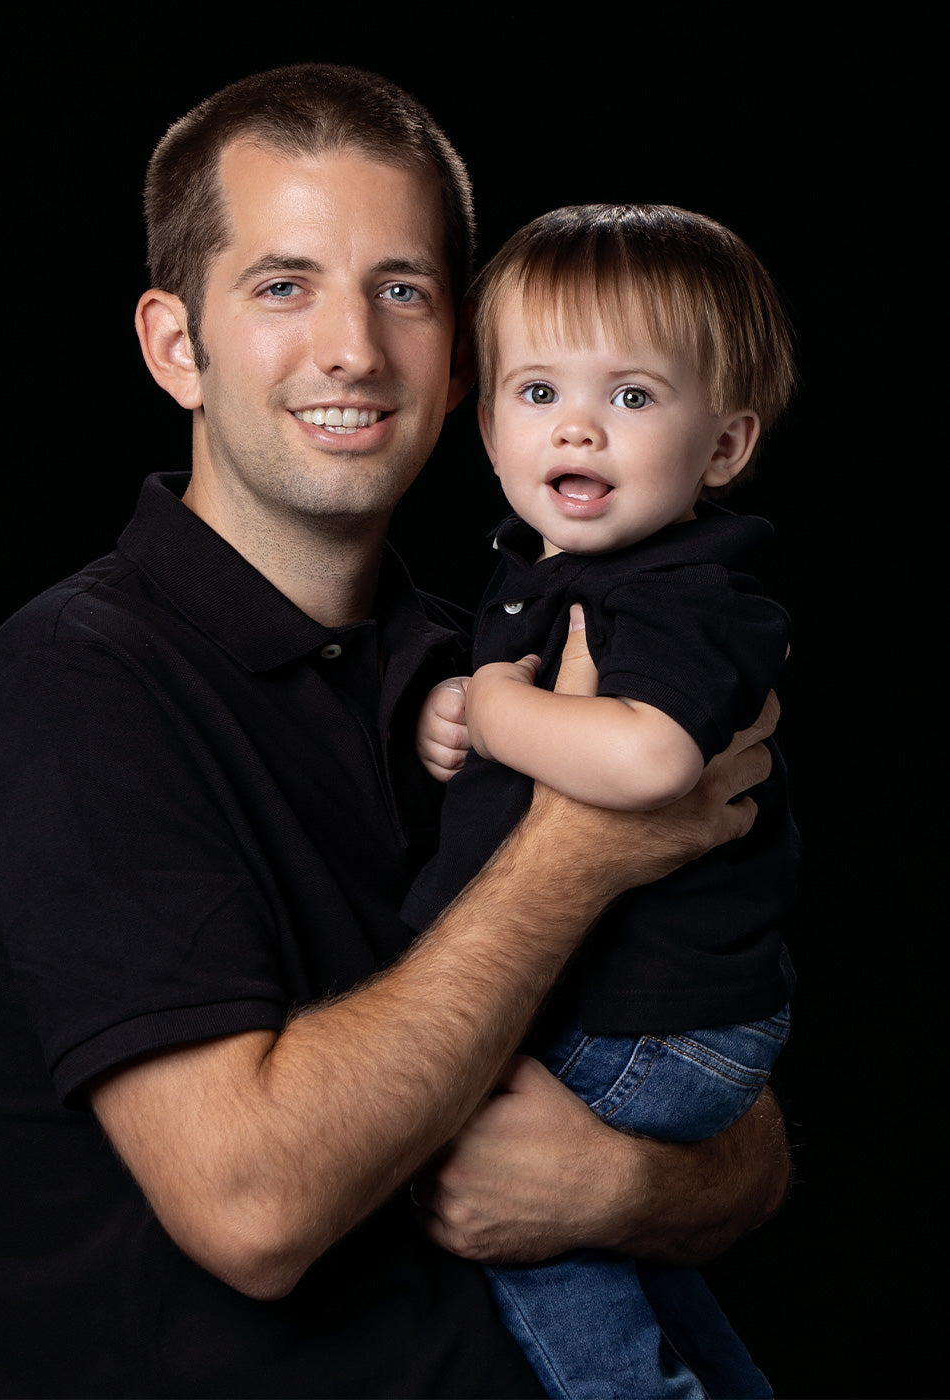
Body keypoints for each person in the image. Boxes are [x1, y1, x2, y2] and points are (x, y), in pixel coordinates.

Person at [0, 66, 790, 1398]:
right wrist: (574, 852)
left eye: (401, 290)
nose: (353, 349)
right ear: (176, 346)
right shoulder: (79, 688)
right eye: (284, 286)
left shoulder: (502, 653)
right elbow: (253, 1208)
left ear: (459, 366)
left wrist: (616, 1184)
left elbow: (747, 1132)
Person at [402, 203, 800, 1398]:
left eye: (630, 395)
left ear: (721, 445)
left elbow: (647, 761)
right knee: (631, 1260)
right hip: (651, 1014)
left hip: (651, 1026)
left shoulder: (684, 591)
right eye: (536, 392)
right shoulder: (547, 573)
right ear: (486, 426)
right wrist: (462, 713)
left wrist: (493, 709)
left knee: (497, 1186)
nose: (576, 425)